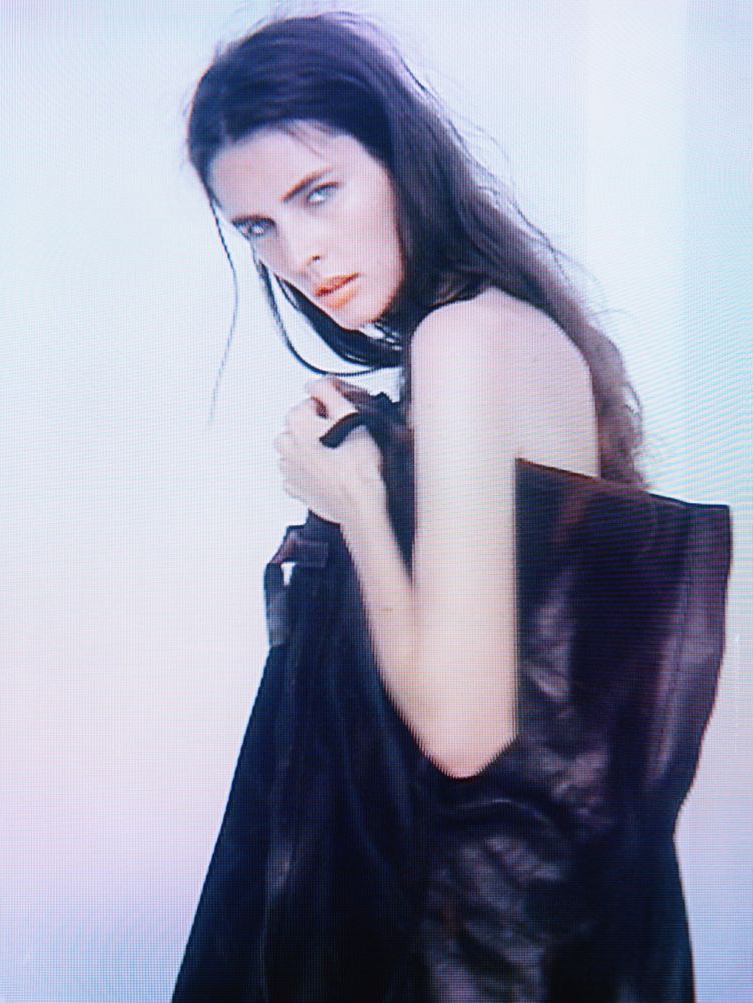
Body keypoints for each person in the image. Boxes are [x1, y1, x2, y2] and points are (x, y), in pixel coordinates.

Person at [171, 12, 731, 1002]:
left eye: (318, 193)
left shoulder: (462, 341)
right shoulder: (500, 331)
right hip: (513, 933)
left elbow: (463, 732)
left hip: (472, 952)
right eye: (257, 227)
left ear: (400, 158)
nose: (299, 253)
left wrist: (355, 501)